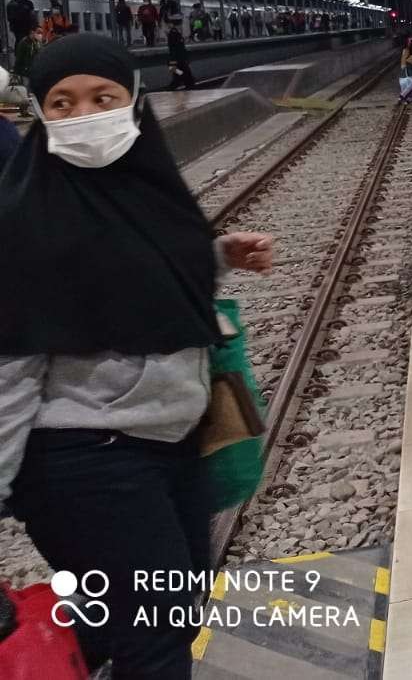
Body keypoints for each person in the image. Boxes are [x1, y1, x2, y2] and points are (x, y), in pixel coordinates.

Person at [0, 35, 274, 679]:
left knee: (173, 610)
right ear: (38, 113)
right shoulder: (22, 218)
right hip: (82, 454)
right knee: (155, 640)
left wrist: (216, 255)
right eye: (61, 103)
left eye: (103, 97)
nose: (84, 115)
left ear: (134, 102)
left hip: (169, 437)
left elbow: (132, 273)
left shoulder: (145, 187)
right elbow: (9, 365)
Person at [167, 24, 197, 90]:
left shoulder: (172, 34)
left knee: (179, 75)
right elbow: (181, 48)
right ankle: (180, 83)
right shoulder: (176, 34)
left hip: (174, 60)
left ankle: (175, 84)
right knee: (184, 75)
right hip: (178, 60)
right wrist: (186, 58)